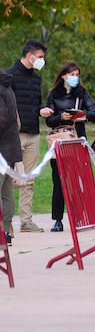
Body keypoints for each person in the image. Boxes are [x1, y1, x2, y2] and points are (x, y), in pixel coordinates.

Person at [39, 61, 95, 233]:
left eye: (77, 75)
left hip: (77, 141)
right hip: (58, 142)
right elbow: (49, 120)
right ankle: (57, 220)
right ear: (63, 76)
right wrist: (61, 117)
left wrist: (81, 116)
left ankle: (80, 216)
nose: (75, 78)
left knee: (79, 180)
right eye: (72, 74)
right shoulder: (53, 94)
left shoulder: (82, 94)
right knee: (58, 182)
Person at [4, 39, 46, 233]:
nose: (41, 61)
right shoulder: (8, 76)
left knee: (28, 179)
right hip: (13, 137)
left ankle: (26, 221)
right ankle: (6, 222)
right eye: (40, 57)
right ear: (30, 56)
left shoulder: (36, 79)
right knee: (7, 180)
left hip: (33, 134)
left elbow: (35, 104)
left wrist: (42, 110)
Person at [0, 69, 19, 244]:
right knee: (6, 193)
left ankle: (3, 232)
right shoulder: (7, 87)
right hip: (11, 149)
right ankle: (6, 232)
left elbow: (1, 119)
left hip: (2, 150)